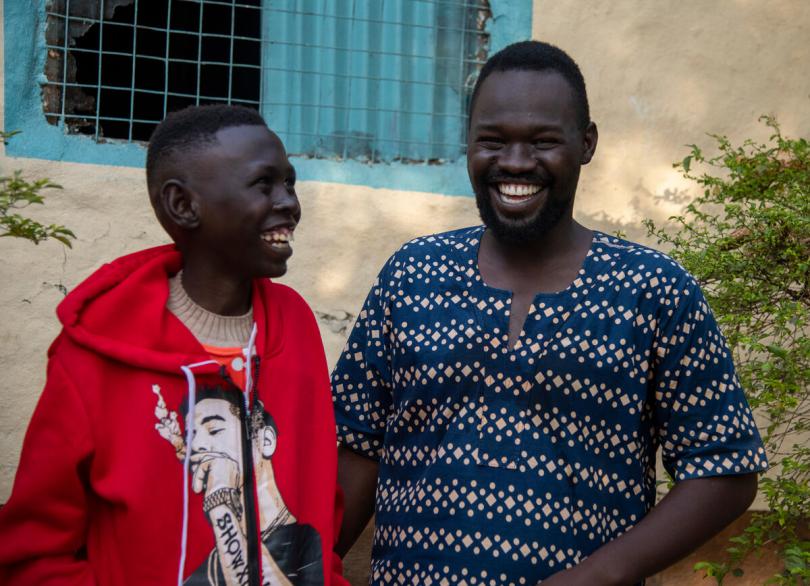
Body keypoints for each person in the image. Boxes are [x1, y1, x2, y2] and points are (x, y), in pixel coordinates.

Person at [331, 41, 768, 586]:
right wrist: (302, 566)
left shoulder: (653, 290)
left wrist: (595, 577)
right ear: (468, 143)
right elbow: (356, 447)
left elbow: (724, 470)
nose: (515, 163)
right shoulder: (412, 275)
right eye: (492, 140)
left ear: (586, 144)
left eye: (543, 141)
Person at [0, 105, 347, 586]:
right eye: (263, 184)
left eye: (290, 182)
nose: (289, 202)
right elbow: (34, 554)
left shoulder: (295, 326)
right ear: (183, 205)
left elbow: (317, 499)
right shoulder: (94, 353)